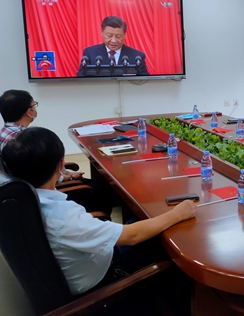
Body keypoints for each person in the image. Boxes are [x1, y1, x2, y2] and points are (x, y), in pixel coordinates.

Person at [1, 127, 196, 295]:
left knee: (141, 221)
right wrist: (178, 213)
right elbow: (132, 236)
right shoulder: (63, 216)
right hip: (106, 277)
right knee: (168, 242)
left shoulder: (24, 199)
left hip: (88, 257)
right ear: (60, 165)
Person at [0, 89, 113, 215]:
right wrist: (68, 177)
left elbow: (37, 167)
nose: (35, 108)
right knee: (103, 189)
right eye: (34, 105)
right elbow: (38, 176)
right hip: (40, 195)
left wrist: (66, 173)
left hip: (21, 192)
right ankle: (100, 219)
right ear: (28, 112)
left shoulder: (5, 133)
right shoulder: (23, 142)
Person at [77, 16, 149, 76]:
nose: (113, 40)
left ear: (125, 35)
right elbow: (81, 80)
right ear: (102, 32)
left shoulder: (137, 56)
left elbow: (145, 82)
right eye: (109, 35)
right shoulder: (90, 53)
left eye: (118, 36)